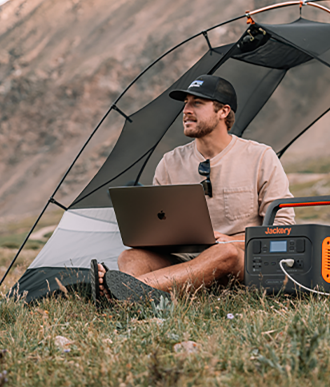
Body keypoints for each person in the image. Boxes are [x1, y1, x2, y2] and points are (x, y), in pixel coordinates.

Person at [95, 74, 294, 302]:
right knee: (131, 257)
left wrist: (231, 240)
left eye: (197, 104)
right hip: (187, 263)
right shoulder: (170, 162)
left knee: (223, 252)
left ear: (223, 112)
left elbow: (284, 226)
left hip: (241, 262)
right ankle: (137, 300)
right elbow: (159, 228)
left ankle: (123, 290)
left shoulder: (261, 157)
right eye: (185, 103)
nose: (186, 110)